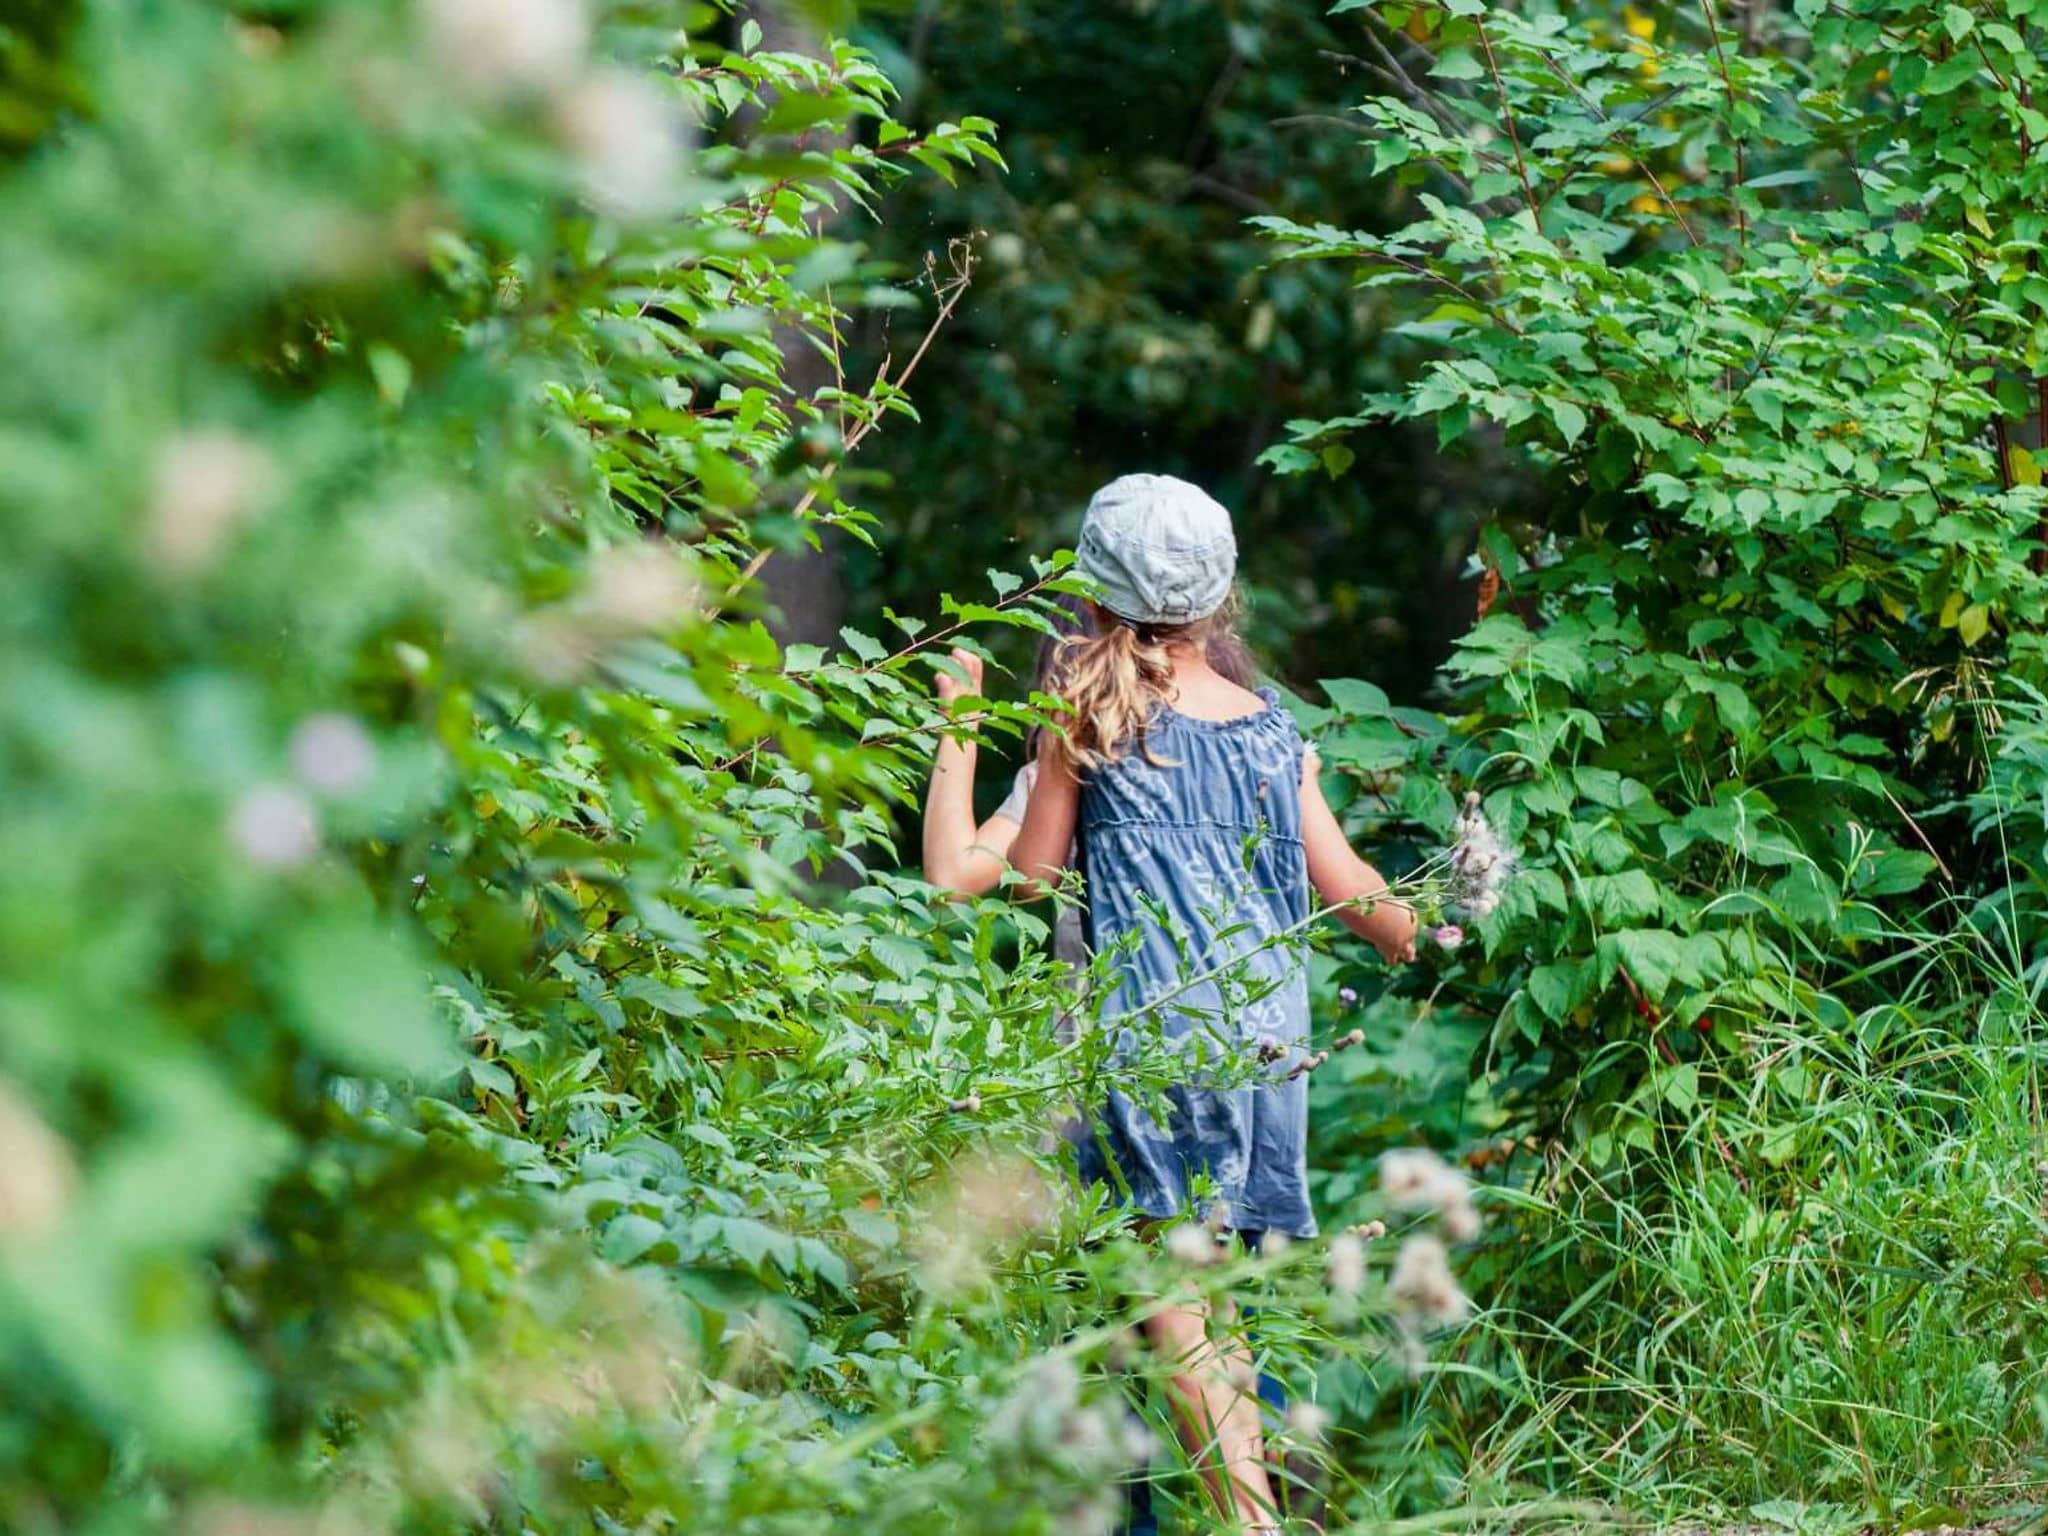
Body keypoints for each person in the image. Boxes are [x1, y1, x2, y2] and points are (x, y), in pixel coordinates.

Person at [943, 474, 1417, 1534]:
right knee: (1217, 1318)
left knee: (1172, 1311)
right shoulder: (1269, 731)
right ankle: (1257, 1517)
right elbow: (1355, 897)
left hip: (1148, 1046)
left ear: (1093, 596)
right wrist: (1423, 922)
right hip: (1259, 1056)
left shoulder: (1086, 719)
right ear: (1221, 597)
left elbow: (1026, 877)